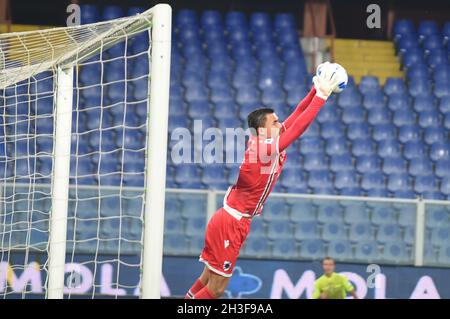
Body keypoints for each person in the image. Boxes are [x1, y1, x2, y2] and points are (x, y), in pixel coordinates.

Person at [185, 66, 340, 299]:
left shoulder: (266, 141)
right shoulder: (263, 148)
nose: (280, 124)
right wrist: (322, 97)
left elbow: (296, 115)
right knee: (216, 288)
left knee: (209, 276)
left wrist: (314, 90)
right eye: (275, 122)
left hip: (231, 219)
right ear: (262, 130)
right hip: (231, 223)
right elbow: (299, 128)